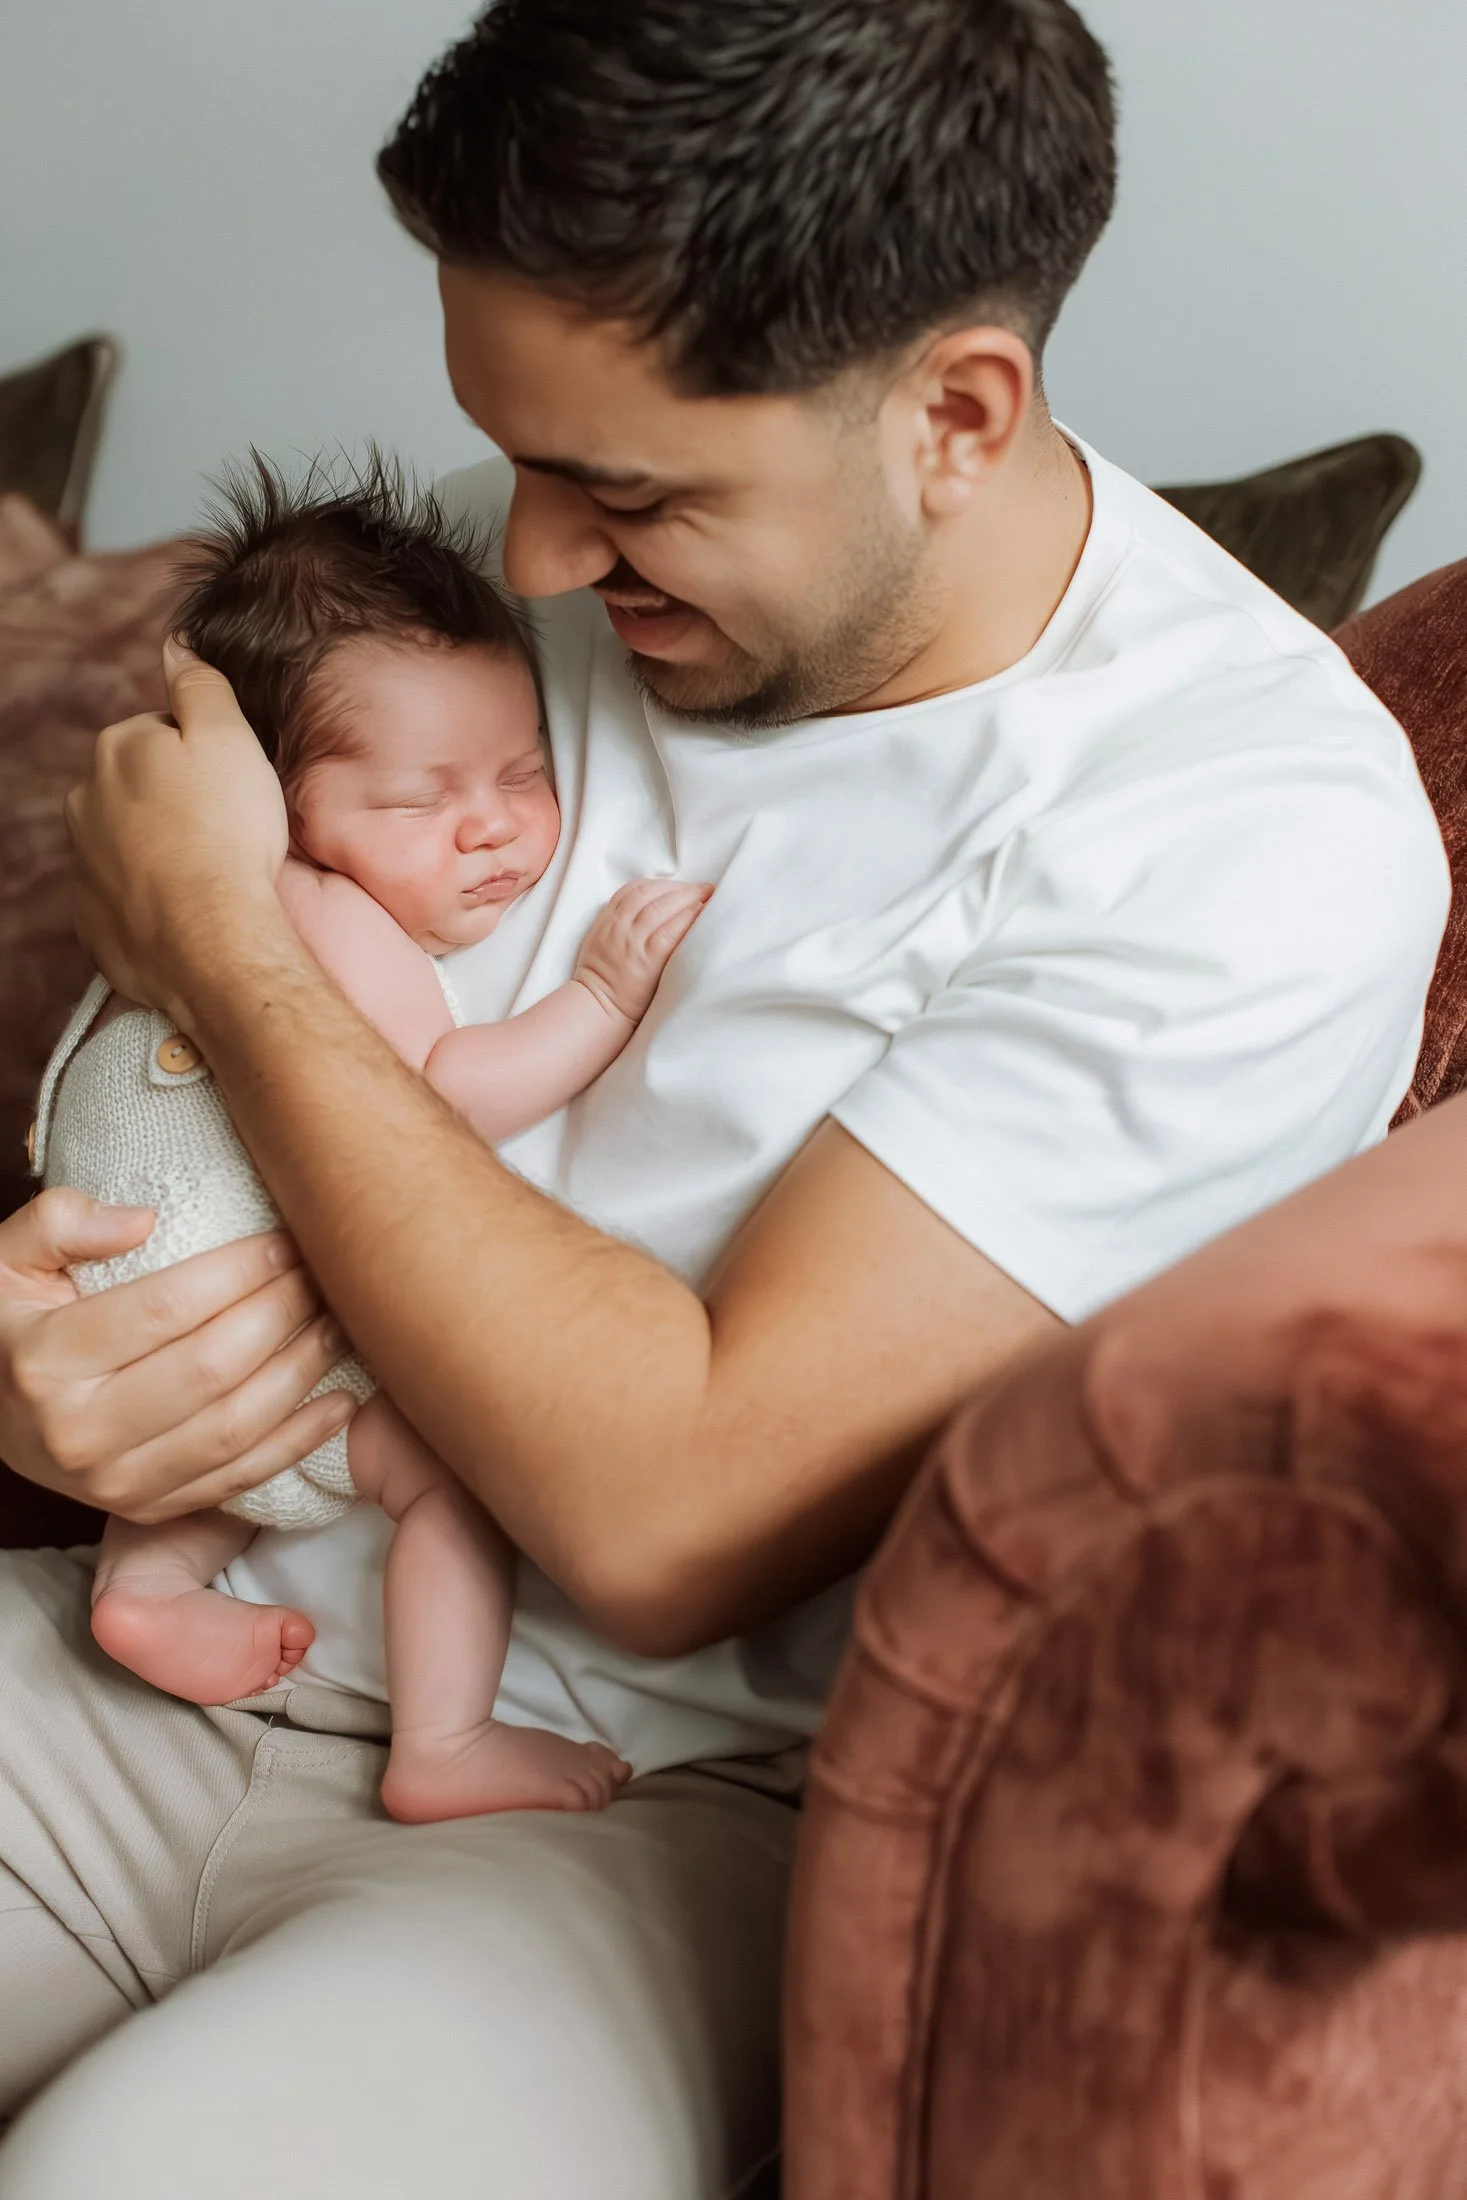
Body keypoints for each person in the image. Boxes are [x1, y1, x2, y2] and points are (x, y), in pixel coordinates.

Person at [0, 1, 1448, 2194]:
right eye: (518, 455)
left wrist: (220, 940)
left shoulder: (1238, 832)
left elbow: (669, 1518)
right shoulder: (534, 606)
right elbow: (170, 1111)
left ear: (957, 408)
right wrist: (55, 1357)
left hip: (634, 1809)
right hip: (158, 1650)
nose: (546, 557)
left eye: (632, 490)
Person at [43, 456, 709, 1821]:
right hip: (270, 1363)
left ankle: (148, 1584)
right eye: (417, 802)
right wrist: (595, 997)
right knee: (455, 1484)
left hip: (143, 1346)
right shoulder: (317, 911)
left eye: (523, 770)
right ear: (278, 809)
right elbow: (439, 1097)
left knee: (202, 1451)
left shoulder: (173, 917)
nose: (495, 827)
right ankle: (445, 1743)